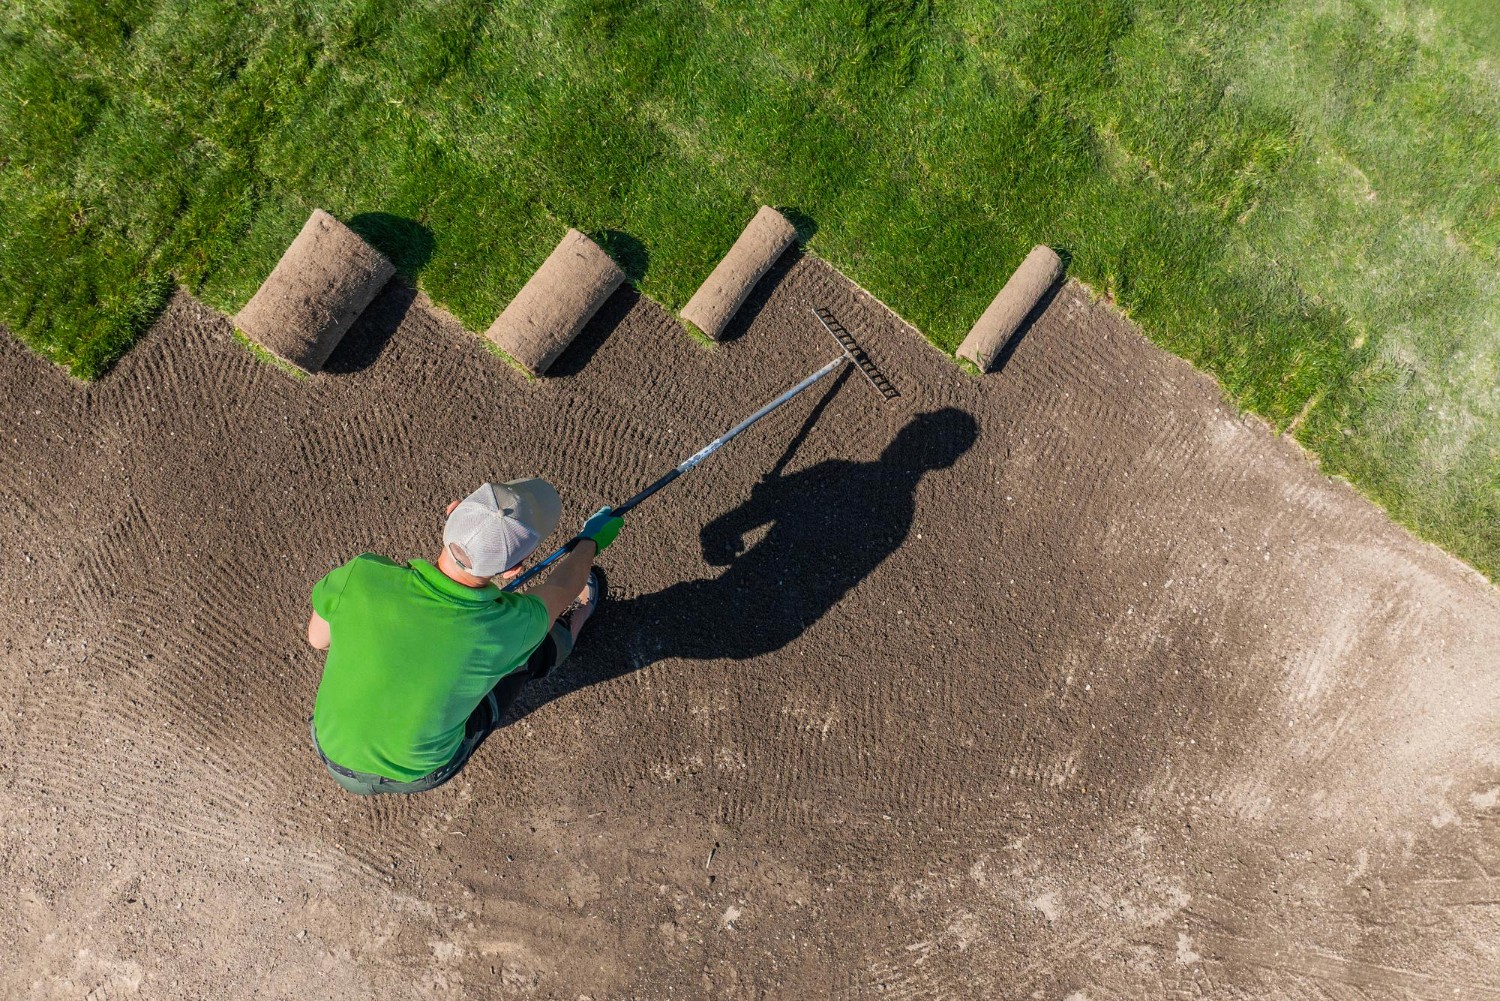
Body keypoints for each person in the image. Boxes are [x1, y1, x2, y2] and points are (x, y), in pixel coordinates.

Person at [305, 479, 623, 795]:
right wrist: (589, 542)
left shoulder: (362, 575)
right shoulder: (513, 624)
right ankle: (566, 633)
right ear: (514, 569)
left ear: (451, 511)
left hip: (330, 749)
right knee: (532, 649)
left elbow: (318, 640)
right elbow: (563, 587)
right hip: (422, 773)